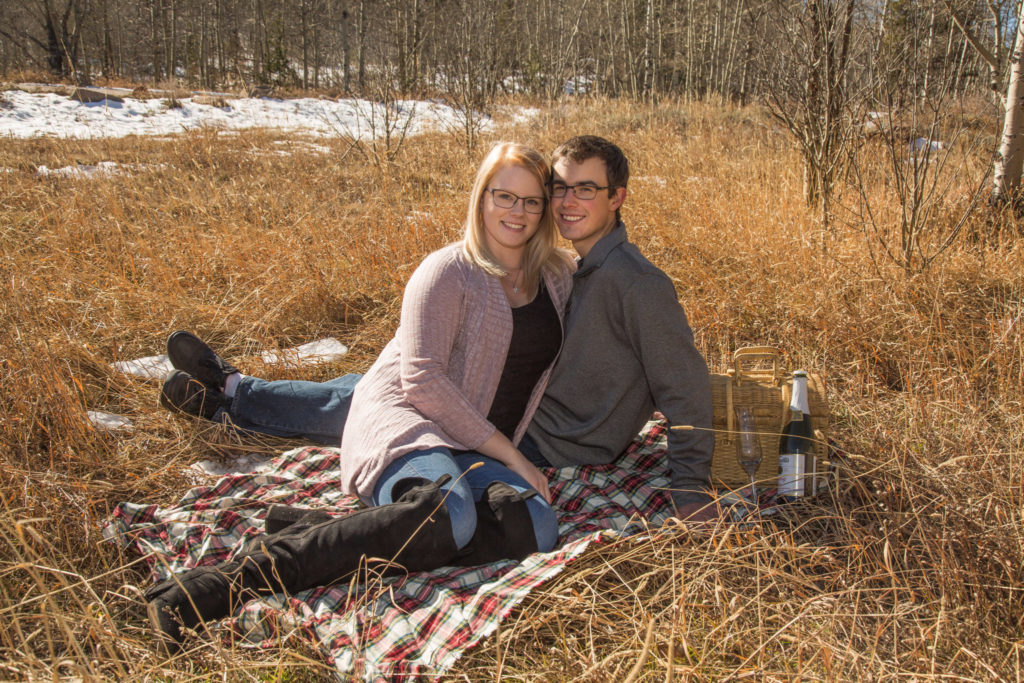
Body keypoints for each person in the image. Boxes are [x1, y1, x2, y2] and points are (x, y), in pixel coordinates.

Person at [146, 142, 574, 652]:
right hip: (410, 415)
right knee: (449, 515)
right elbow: (422, 382)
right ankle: (218, 585)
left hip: (472, 441)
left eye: (531, 201)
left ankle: (352, 530)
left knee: (535, 525)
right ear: (481, 198)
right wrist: (511, 456)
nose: (517, 212)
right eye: (504, 196)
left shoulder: (556, 276)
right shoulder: (447, 272)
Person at [160, 136, 715, 519]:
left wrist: (690, 489)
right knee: (375, 384)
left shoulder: (638, 285)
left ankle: (227, 398)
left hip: (531, 430)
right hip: (505, 395)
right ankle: (231, 386)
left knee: (371, 401)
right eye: (562, 189)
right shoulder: (575, 267)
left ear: (618, 197)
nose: (569, 202)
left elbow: (686, 390)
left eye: (587, 189)